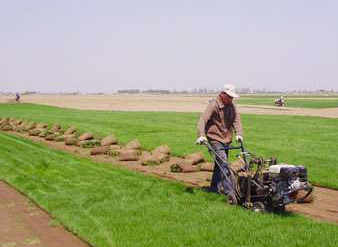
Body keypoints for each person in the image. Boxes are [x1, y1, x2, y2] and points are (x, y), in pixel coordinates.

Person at [196, 84, 243, 204]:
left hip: (226, 138)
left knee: (219, 165)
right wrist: (201, 135)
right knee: (224, 163)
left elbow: (237, 120)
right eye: (230, 97)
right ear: (222, 95)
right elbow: (203, 119)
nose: (231, 99)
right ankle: (231, 192)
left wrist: (239, 134)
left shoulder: (232, 106)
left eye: (232, 97)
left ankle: (213, 187)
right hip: (215, 138)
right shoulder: (213, 105)